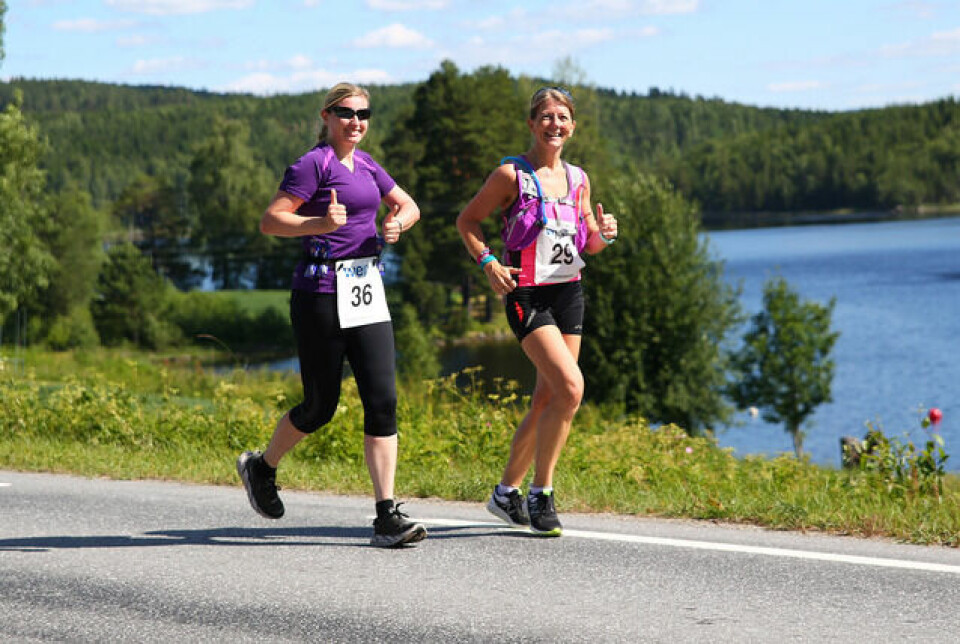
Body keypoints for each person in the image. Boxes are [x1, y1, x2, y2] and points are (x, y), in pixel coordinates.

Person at [237, 82, 427, 548]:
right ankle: (262, 468)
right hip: (319, 293)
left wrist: (397, 222)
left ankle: (386, 516)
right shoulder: (311, 165)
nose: (356, 122)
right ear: (326, 116)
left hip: (366, 290)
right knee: (320, 407)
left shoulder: (367, 165)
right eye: (345, 113)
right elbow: (271, 220)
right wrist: (320, 223)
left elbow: (410, 205)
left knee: (382, 400)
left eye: (364, 114)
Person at [455, 87, 619, 537]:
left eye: (563, 117)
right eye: (546, 117)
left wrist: (605, 233)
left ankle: (505, 493)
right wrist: (488, 262)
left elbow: (588, 245)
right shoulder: (511, 175)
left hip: (570, 293)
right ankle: (540, 492)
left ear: (573, 125)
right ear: (531, 124)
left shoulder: (579, 179)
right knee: (570, 387)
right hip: (527, 296)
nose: (555, 124)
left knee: (547, 398)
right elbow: (466, 221)